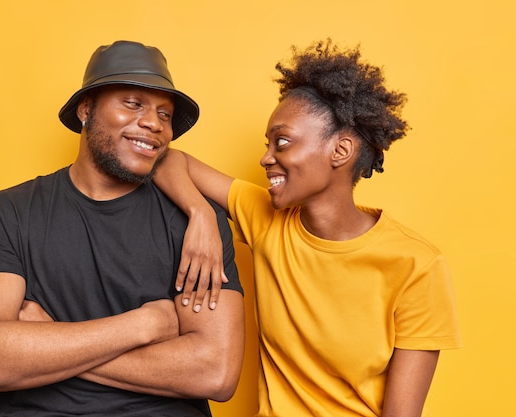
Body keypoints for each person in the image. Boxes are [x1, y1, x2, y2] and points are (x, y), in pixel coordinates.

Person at [153, 39, 462, 417]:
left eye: (281, 142)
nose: (266, 158)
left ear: (341, 151)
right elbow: (167, 159)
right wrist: (200, 213)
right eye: (267, 144)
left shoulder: (416, 265)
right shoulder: (265, 217)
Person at [0, 40, 245, 417]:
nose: (154, 123)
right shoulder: (8, 212)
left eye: (165, 114)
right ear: (86, 109)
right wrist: (146, 324)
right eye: (133, 103)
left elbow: (214, 372)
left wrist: (48, 345)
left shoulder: (196, 226)